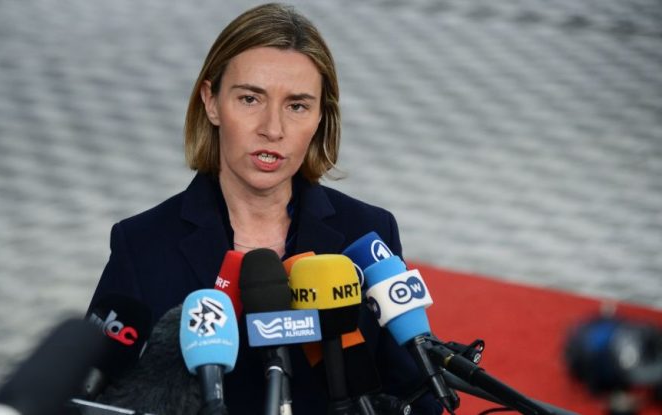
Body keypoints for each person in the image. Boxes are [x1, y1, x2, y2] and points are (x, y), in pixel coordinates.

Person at [87, 3, 443, 414]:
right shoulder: (142, 244)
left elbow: (417, 396)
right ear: (211, 102)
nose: (272, 129)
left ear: (320, 117)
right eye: (250, 98)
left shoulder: (366, 232)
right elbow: (90, 397)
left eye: (297, 105)